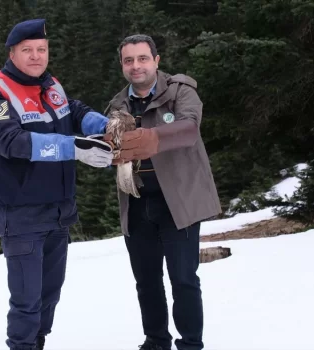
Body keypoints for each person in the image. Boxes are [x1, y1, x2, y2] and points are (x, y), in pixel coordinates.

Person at [0, 18, 114, 350]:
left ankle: (38, 342)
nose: (36, 56)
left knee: (50, 293)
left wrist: (106, 123)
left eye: (42, 49)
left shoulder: (49, 84)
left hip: (59, 210)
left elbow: (73, 110)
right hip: (22, 215)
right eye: (28, 50)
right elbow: (10, 142)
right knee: (26, 300)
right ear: (12, 53)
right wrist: (73, 148)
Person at [103, 34, 222, 350]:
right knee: (147, 283)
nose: (136, 66)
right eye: (129, 60)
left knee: (183, 280)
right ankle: (156, 342)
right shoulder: (118, 105)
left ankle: (191, 345)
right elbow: (111, 147)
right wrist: (104, 149)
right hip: (137, 203)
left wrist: (151, 138)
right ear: (122, 66)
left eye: (142, 58)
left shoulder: (181, 92)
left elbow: (189, 128)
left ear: (156, 60)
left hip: (178, 203)